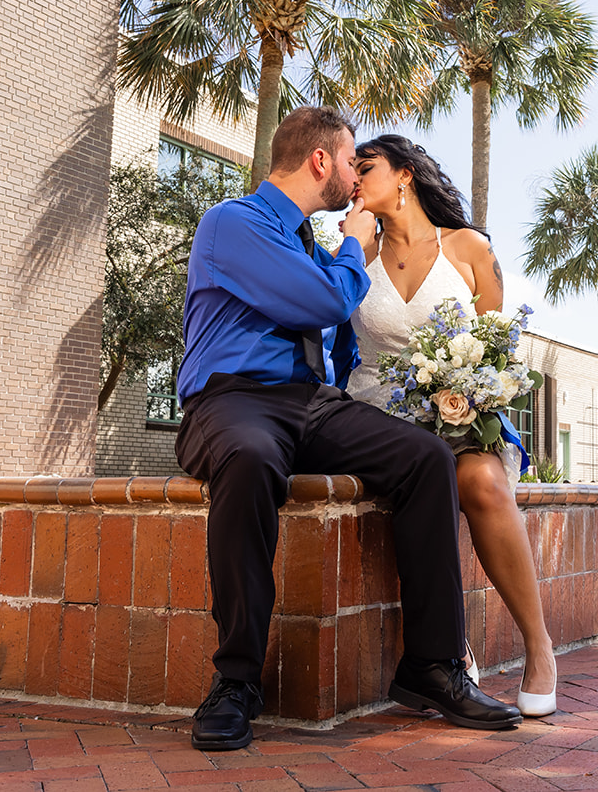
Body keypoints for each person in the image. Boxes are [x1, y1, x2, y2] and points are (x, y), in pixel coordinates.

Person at [175, 107, 521, 751]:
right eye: (350, 161)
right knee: (250, 458)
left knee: (423, 458)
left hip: (307, 402)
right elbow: (326, 301)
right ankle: (236, 680)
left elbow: (337, 338)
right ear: (320, 162)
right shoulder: (234, 223)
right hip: (232, 402)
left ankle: (433, 665)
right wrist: (357, 249)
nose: (354, 179)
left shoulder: (310, 242)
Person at [346, 134, 558, 718]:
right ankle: (447, 645)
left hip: (459, 410)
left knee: (484, 484)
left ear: (406, 175)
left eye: (365, 167)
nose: (354, 179)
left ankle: (538, 648)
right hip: (374, 416)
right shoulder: (352, 253)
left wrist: (467, 387)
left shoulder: (467, 248)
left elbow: (499, 343)